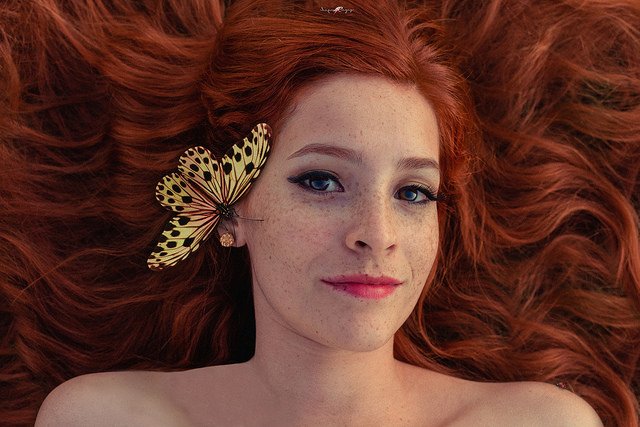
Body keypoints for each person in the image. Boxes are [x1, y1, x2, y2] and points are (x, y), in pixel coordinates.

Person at [0, 0, 637, 425]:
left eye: (413, 193)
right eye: (322, 181)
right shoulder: (103, 417)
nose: (377, 235)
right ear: (231, 208)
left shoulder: (537, 423)